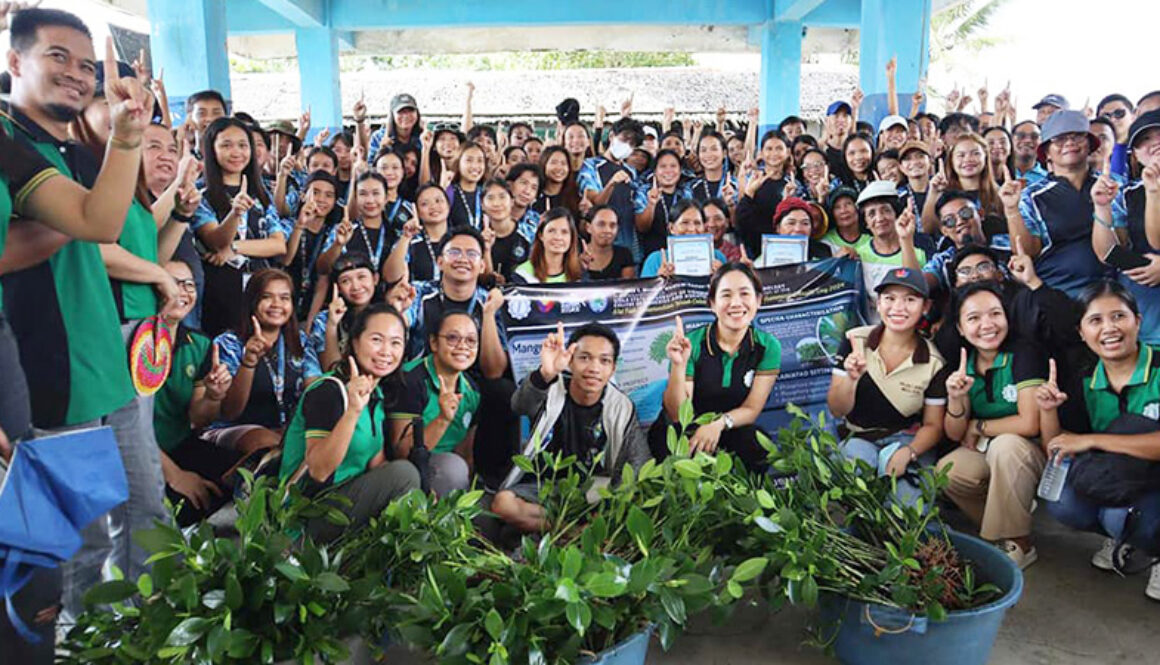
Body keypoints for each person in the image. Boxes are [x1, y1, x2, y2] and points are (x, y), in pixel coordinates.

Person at [0, 5, 156, 646]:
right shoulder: (8, 142)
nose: (77, 74)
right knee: (78, 548)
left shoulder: (62, 150)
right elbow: (92, 224)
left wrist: (126, 133)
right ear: (14, 61)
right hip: (49, 376)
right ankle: (83, 649)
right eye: (57, 57)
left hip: (107, 365)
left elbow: (103, 223)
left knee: (146, 517)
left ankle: (153, 633)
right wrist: (67, 224)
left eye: (87, 65)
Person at [1039, 281, 1160, 599]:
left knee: (1123, 517)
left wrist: (1094, 440)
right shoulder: (1084, 379)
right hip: (1124, 476)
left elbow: (1086, 441)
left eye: (1119, 316)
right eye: (1095, 320)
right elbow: (1058, 449)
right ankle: (1124, 537)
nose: (1109, 328)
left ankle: (1151, 544)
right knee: (1063, 502)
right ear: (1081, 332)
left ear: (1138, 320)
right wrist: (1048, 411)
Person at [278, 303, 422, 542]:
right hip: (305, 516)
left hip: (343, 506)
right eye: (377, 339)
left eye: (396, 342)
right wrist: (353, 411)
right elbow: (318, 470)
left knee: (409, 478)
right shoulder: (329, 390)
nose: (386, 351)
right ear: (354, 342)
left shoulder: (377, 395)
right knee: (404, 474)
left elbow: (377, 464)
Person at [493, 322, 650, 533]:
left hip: (592, 490)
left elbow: (639, 462)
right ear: (570, 362)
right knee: (503, 505)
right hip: (544, 486)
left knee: (623, 510)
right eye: (584, 358)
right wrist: (545, 374)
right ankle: (572, 532)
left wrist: (614, 502)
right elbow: (519, 405)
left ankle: (559, 528)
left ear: (613, 368)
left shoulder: (620, 406)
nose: (594, 368)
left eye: (604, 361)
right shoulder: (550, 388)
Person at [937, 282, 1048, 569]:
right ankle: (1009, 522)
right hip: (989, 451)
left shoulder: (1024, 353)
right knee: (947, 471)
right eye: (974, 318)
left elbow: (1030, 422)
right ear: (960, 328)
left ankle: (1018, 543)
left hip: (1030, 452)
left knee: (1006, 444)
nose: (987, 324)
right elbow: (954, 434)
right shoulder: (962, 363)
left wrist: (980, 425)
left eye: (995, 314)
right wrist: (957, 398)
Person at [828, 268, 948, 505]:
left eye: (910, 300)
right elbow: (837, 410)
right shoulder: (855, 341)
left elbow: (934, 425)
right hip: (858, 437)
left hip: (904, 440)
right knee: (853, 495)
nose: (898, 308)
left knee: (910, 509)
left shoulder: (934, 362)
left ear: (925, 307)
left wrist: (910, 452)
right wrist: (851, 379)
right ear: (878, 304)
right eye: (890, 299)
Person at [652, 263, 780, 471]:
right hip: (686, 428)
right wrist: (678, 365)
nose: (736, 303)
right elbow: (677, 414)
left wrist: (717, 425)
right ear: (712, 303)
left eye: (745, 294)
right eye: (726, 295)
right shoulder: (692, 343)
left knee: (757, 444)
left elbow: (751, 409)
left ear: (758, 300)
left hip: (728, 427)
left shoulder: (768, 346)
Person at [151, 260, 240, 526]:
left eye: (189, 284)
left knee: (243, 478)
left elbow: (199, 419)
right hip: (139, 454)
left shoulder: (199, 344)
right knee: (187, 505)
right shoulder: (132, 342)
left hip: (180, 445)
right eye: (173, 282)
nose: (184, 291)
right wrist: (175, 475)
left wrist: (214, 395)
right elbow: (123, 425)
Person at [191, 117, 291, 339]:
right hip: (221, 293)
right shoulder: (201, 195)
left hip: (261, 293)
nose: (236, 152)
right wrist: (235, 214)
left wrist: (235, 247)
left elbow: (278, 244)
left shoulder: (263, 195)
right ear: (211, 149)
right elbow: (216, 241)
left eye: (243, 145)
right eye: (226, 145)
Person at [1009, 110, 1109, 297]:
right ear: (1046, 152)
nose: (1070, 143)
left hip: (1109, 291)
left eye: (1077, 136)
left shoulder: (1112, 185)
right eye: (1059, 139)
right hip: (1056, 292)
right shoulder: (1032, 196)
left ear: (1089, 144)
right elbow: (1027, 252)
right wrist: (1011, 209)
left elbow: (1125, 242)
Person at [210, 268, 305, 454]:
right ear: (253, 302)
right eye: (267, 297)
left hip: (285, 430)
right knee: (266, 443)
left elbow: (313, 388)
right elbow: (230, 411)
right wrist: (249, 361)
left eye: (284, 298)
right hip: (233, 428)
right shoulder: (229, 343)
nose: (276, 304)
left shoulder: (300, 341)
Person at [1092, 109, 1160, 345]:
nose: (1155, 143)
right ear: (1136, 155)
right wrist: (1102, 207)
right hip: (1145, 316)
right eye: (1145, 140)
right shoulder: (1128, 194)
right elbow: (1107, 253)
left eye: (1159, 133)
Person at [401, 311, 482, 496]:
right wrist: (442, 419)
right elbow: (401, 452)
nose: (463, 346)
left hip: (446, 468)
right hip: (408, 467)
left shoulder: (472, 391)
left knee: (457, 469)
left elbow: (465, 453)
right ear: (434, 343)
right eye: (453, 338)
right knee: (453, 469)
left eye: (471, 340)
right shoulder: (410, 380)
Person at [854, 181, 928, 322]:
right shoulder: (858, 255)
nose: (880, 218)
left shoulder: (917, 253)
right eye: (871, 214)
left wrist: (906, 239)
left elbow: (915, 289)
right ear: (866, 223)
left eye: (886, 210)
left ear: (896, 214)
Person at [304, 253, 380, 383]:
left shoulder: (385, 315)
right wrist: (332, 325)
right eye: (346, 281)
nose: (356, 286)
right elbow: (331, 370)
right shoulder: (323, 319)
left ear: (375, 279)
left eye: (361, 277)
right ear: (337, 288)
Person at [578, 117, 645, 260]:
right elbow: (596, 203)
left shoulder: (631, 172)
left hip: (629, 244)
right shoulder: (590, 166)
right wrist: (611, 183)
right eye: (625, 139)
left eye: (632, 144)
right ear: (612, 136)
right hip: (600, 246)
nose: (627, 145)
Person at [282, 170, 342, 319]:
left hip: (313, 305)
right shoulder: (288, 224)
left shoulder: (333, 233)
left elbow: (324, 279)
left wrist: (310, 322)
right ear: (303, 195)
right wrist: (300, 225)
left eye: (329, 195)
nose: (321, 199)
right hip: (283, 300)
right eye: (315, 192)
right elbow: (286, 260)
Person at [905, 191, 988, 294]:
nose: (960, 222)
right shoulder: (943, 262)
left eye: (965, 213)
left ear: (980, 214)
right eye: (950, 220)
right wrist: (906, 238)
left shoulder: (1004, 244)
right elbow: (916, 287)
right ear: (944, 231)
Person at [317, 172, 395, 278]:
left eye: (376, 193)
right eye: (363, 194)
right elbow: (323, 269)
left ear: (386, 198)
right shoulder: (344, 230)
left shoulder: (396, 234)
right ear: (356, 198)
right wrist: (338, 244)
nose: (370, 200)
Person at [640, 199, 727, 278]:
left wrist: (720, 277)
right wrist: (658, 280)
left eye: (697, 223)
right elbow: (644, 294)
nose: (692, 229)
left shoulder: (717, 257)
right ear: (671, 228)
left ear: (704, 227)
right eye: (685, 223)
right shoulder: (655, 260)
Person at [384, 183, 450, 285]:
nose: (433, 206)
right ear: (417, 211)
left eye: (438, 201)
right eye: (424, 204)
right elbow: (390, 277)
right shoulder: (411, 241)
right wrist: (406, 237)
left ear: (448, 206)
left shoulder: (460, 239)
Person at [633, 148, 693, 258]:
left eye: (673, 166)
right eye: (663, 166)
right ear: (655, 171)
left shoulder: (686, 192)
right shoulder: (644, 191)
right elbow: (641, 227)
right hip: (652, 256)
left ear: (680, 170)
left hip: (684, 254)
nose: (668, 171)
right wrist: (651, 204)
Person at [478, 178, 532, 283]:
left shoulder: (528, 234)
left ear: (512, 201)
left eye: (502, 197)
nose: (497, 203)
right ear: (482, 205)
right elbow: (482, 279)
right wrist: (486, 250)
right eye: (490, 198)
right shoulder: (476, 236)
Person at [512, 207, 584, 284]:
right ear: (541, 235)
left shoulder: (579, 274)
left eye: (564, 232)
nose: (558, 237)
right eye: (551, 231)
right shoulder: (523, 274)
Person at [760, 197, 832, 263]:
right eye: (791, 223)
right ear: (778, 228)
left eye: (805, 223)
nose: (798, 229)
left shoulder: (822, 251)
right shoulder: (766, 256)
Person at [689, 131, 738, 205]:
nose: (708, 154)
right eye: (703, 150)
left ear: (724, 153)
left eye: (714, 149)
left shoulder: (736, 185)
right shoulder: (692, 187)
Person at [446, 141, 487, 229]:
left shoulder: (486, 193)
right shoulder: (449, 192)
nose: (475, 166)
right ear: (458, 162)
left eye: (480, 161)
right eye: (469, 160)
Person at [368, 92, 421, 158]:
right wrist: (381, 151)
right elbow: (370, 165)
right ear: (392, 115)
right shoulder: (379, 137)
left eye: (411, 110)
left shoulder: (423, 137)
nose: (406, 115)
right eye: (400, 111)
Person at [820, 186, 868, 256]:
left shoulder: (872, 236)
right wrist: (835, 259)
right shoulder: (826, 242)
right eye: (837, 207)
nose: (843, 211)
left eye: (848, 204)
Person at [534, 145, 581, 216]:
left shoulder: (577, 195)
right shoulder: (534, 195)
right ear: (544, 164)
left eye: (563, 163)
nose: (559, 168)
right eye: (554, 162)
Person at [1096, 93, 1135, 178]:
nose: (1112, 119)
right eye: (1106, 116)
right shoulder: (1092, 152)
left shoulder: (1146, 148)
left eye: (1119, 113)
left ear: (1133, 116)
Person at [1011, 120, 1049, 186]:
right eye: (1021, 136)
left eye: (1034, 136)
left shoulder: (1048, 180)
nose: (1028, 140)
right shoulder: (997, 175)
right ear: (1011, 140)